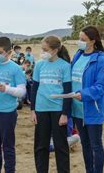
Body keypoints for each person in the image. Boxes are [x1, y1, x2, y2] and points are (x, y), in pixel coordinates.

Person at [0, 36, 26, 173]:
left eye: (0, 52)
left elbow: (22, 92)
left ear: (9, 52)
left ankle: (9, 170)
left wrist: (7, 89)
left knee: (8, 145)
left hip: (7, 112)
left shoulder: (16, 69)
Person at [72, 26, 104, 173]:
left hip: (92, 108)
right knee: (85, 144)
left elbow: (102, 86)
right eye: (79, 38)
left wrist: (85, 94)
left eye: (83, 39)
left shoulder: (101, 60)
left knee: (95, 144)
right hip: (77, 109)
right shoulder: (77, 55)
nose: (80, 42)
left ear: (93, 41)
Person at [31, 36, 72, 173]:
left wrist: (65, 114)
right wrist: (32, 110)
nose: (42, 52)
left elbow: (68, 92)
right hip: (41, 109)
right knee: (41, 146)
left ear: (54, 50)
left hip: (58, 110)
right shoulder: (39, 65)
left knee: (61, 146)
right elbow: (34, 88)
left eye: (45, 49)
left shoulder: (65, 66)